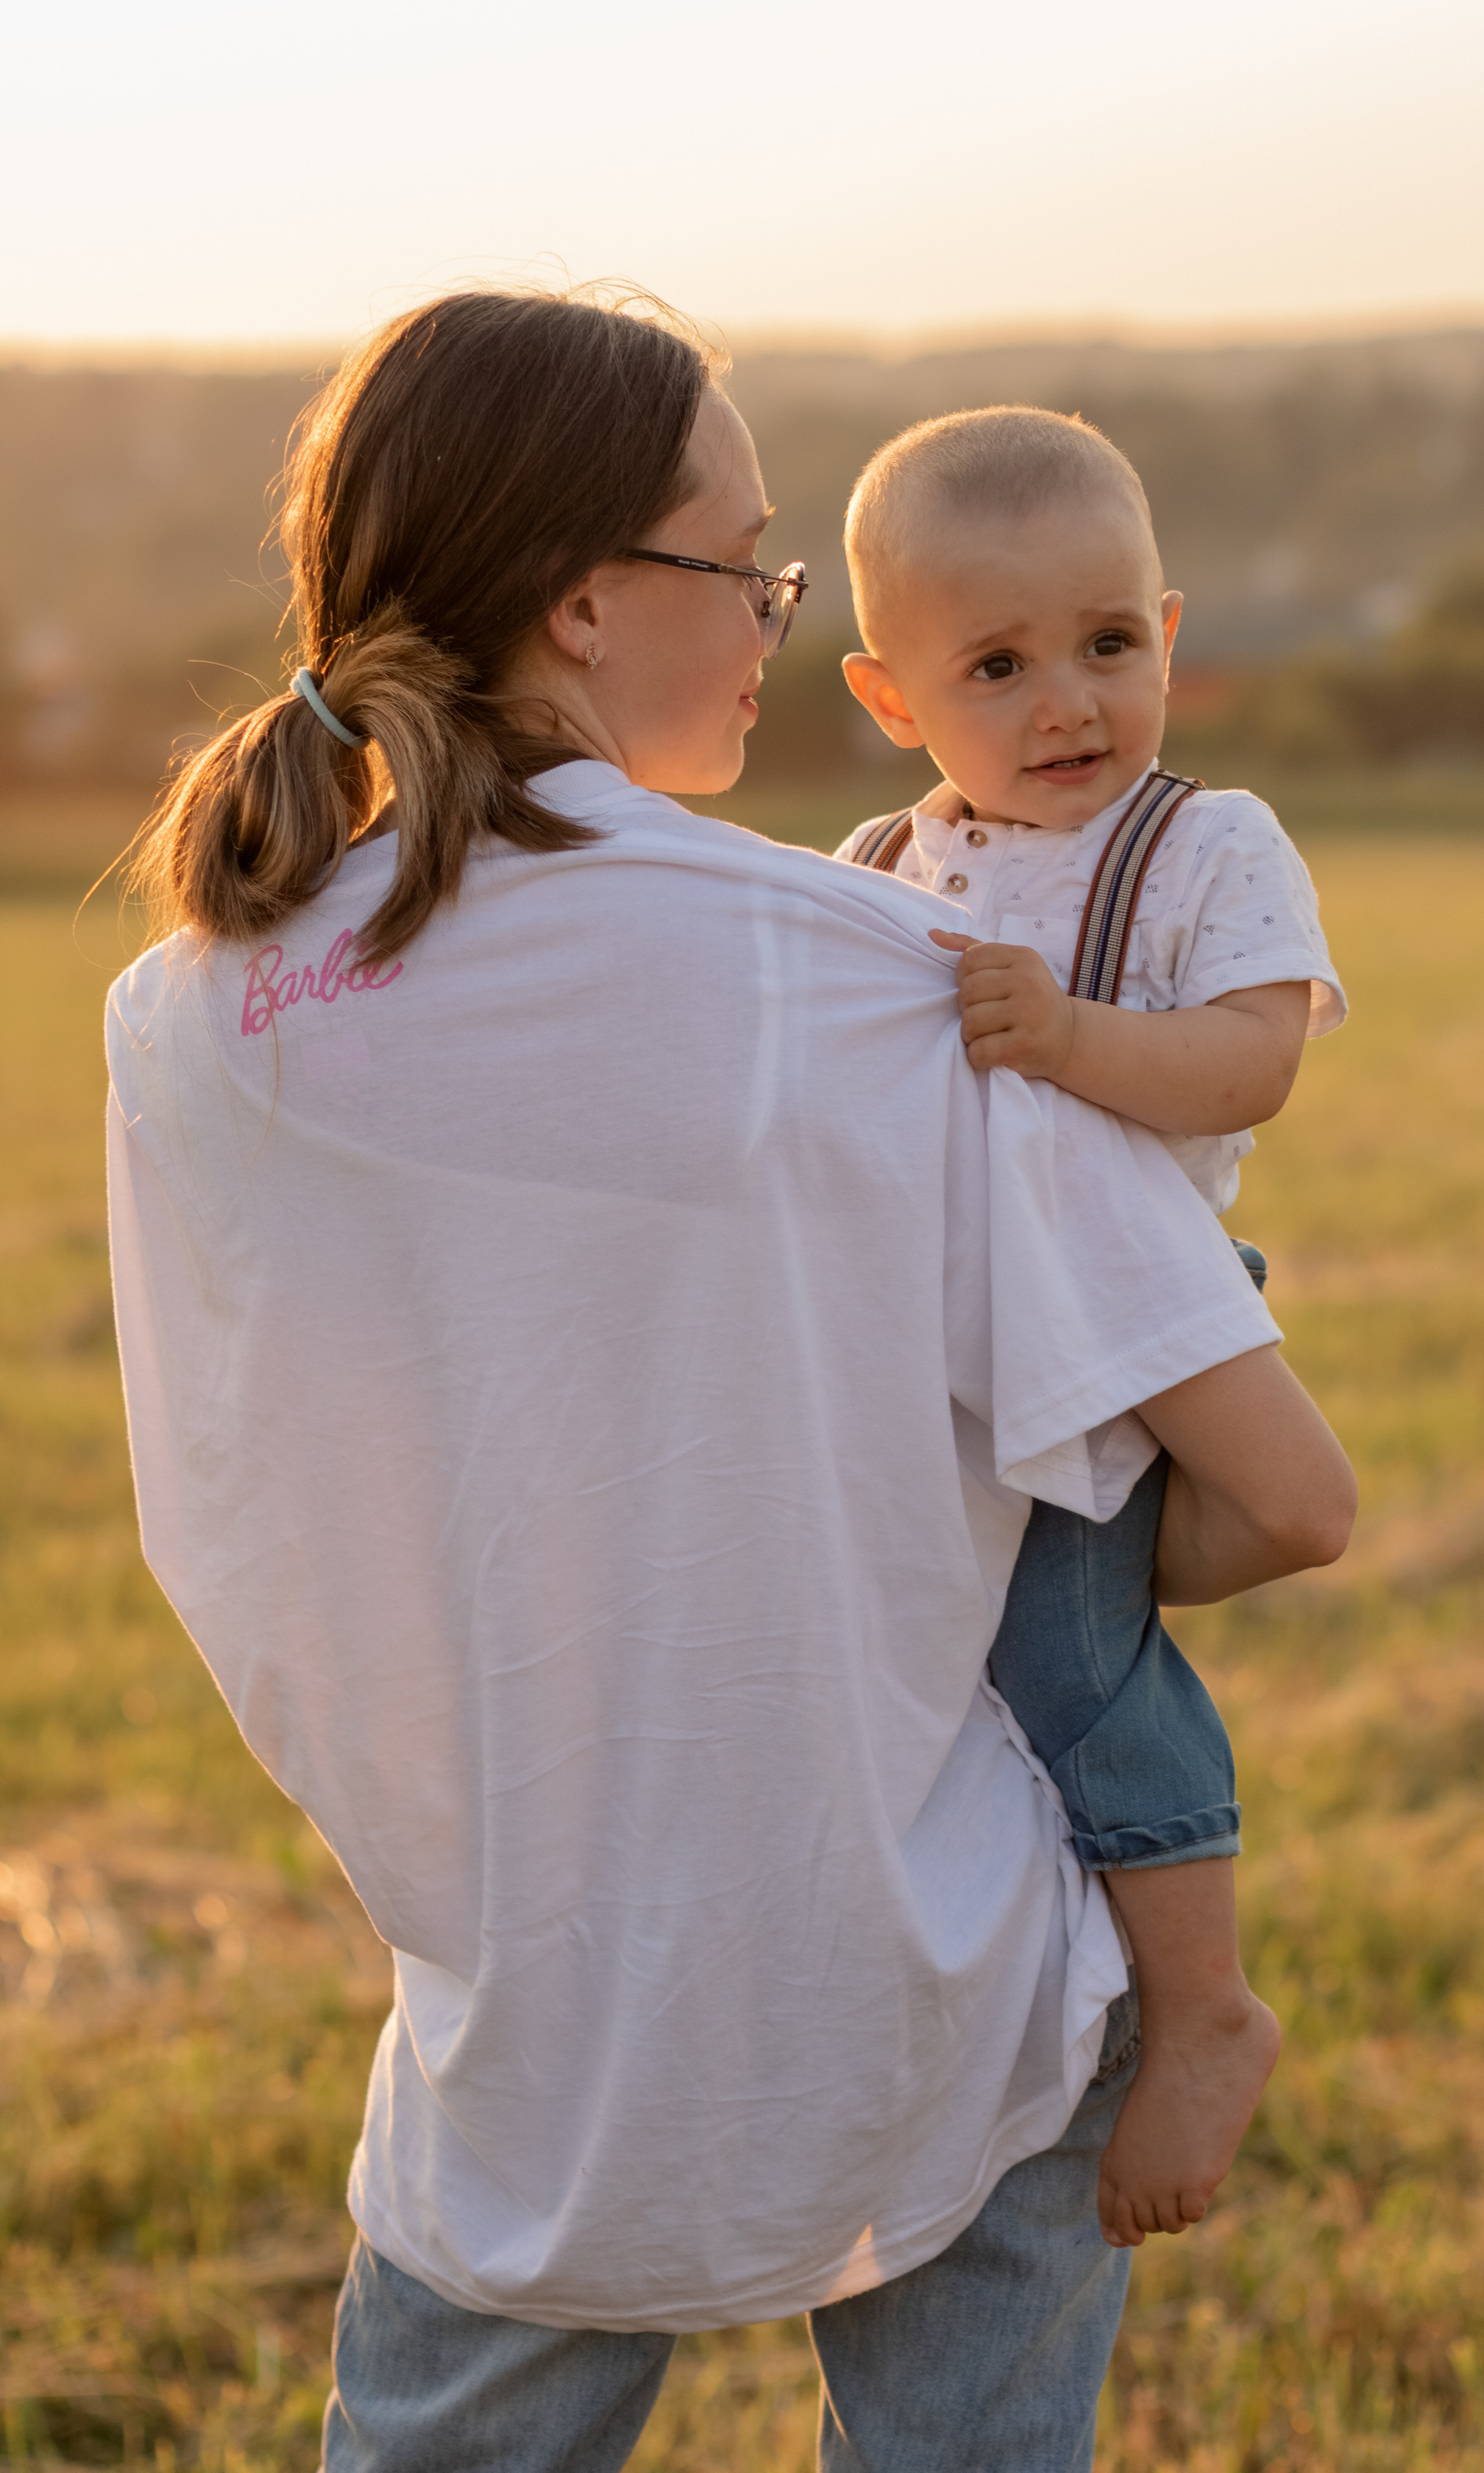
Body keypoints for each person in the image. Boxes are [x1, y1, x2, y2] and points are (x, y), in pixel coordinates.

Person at [106, 286, 1355, 2473]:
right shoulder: (880, 978)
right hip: (928, 1958)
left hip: (531, 2015)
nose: (779, 615)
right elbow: (1286, 1497)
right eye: (748, 563)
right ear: (590, 603)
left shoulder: (194, 1018)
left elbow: (252, 1531)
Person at [835, 405, 1347, 2251]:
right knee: (1035, 1647)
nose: (1068, 701)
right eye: (998, 664)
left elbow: (1252, 1059)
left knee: (1101, 1641)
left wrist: (1061, 1036)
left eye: (1108, 643)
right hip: (966, 1341)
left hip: (1135, 1312)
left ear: (1168, 629)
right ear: (891, 700)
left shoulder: (1203, 842)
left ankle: (1204, 2010)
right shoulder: (879, 868)